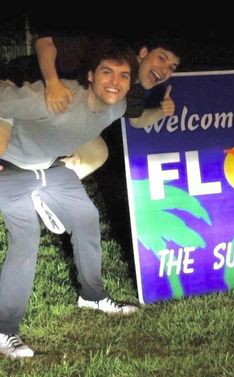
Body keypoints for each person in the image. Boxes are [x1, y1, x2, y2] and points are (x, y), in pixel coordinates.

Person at [0, 39, 139, 360]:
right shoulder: (52, 99)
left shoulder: (116, 108)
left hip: (51, 166)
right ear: (90, 76)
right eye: (107, 73)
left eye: (123, 76)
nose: (115, 82)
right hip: (11, 169)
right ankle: (5, 330)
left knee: (87, 220)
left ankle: (92, 296)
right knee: (26, 243)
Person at [34, 33, 181, 178]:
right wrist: (52, 82)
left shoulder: (136, 86)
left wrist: (162, 111)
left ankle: (49, 186)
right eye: (161, 58)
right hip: (31, 95)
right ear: (143, 53)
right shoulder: (103, 50)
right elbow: (45, 42)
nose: (164, 70)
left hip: (62, 121)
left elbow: (136, 120)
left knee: (97, 153)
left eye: (171, 67)